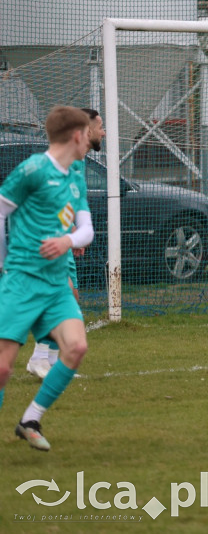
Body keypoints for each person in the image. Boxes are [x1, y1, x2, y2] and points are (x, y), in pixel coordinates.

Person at [0, 106, 95, 451]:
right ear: (76, 135)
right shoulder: (32, 169)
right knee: (2, 369)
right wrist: (3, 262)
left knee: (77, 347)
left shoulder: (76, 176)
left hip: (56, 286)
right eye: (88, 133)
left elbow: (86, 230)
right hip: (22, 281)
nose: (91, 139)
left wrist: (67, 240)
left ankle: (30, 419)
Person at [27, 108, 106, 379]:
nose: (103, 132)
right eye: (100, 127)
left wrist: (74, 232)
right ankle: (40, 358)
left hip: (61, 238)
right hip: (46, 239)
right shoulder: (63, 159)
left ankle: (44, 360)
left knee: (68, 298)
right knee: (63, 297)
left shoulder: (78, 160)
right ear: (85, 130)